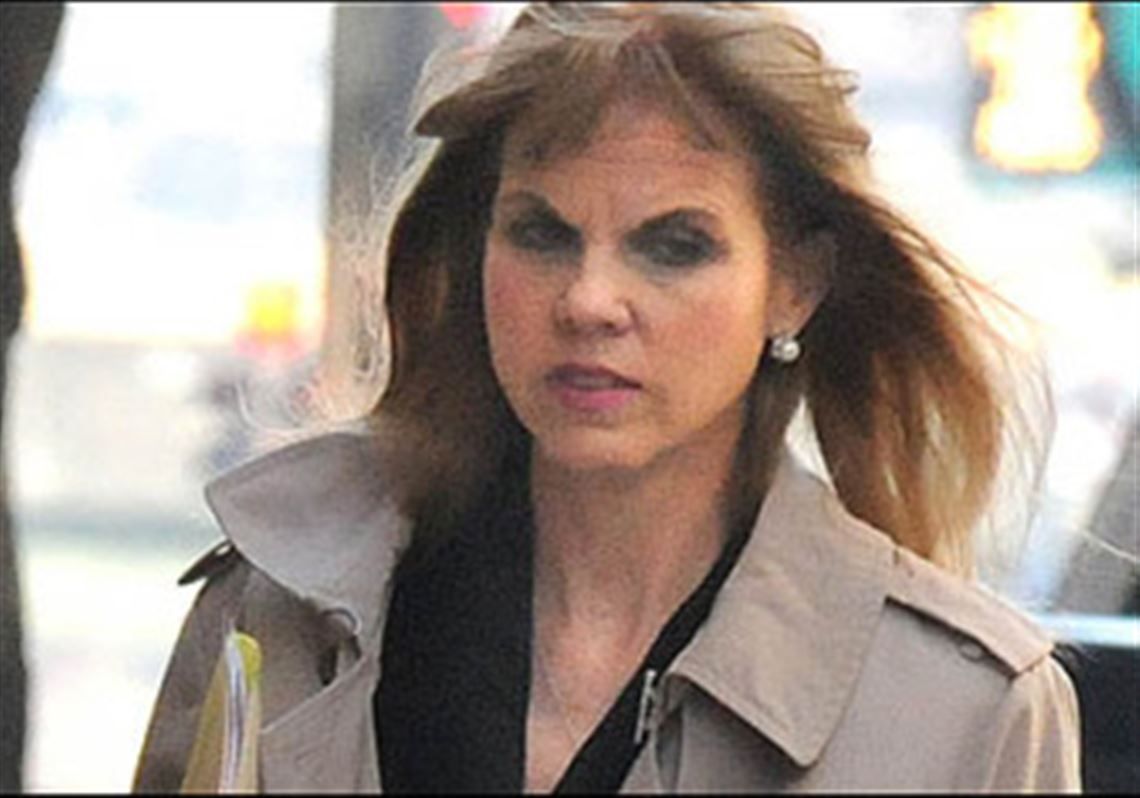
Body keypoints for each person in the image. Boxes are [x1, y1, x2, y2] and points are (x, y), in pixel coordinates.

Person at [134, 3, 1080, 792]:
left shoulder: (964, 711)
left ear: (795, 283)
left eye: (673, 246)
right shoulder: (284, 599)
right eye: (540, 233)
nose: (589, 301)